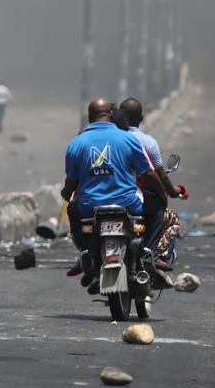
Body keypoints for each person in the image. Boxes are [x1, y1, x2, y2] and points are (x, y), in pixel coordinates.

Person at [62, 99, 158, 294]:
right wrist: (163, 192)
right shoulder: (128, 139)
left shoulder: (76, 143)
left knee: (72, 208)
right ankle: (148, 251)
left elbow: (70, 183)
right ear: (112, 116)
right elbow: (147, 173)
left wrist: (66, 194)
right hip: (127, 203)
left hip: (90, 207)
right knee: (156, 208)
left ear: (90, 117)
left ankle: (86, 251)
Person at [119, 98, 185, 269]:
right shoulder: (146, 142)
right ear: (141, 118)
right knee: (167, 217)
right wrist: (167, 193)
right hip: (137, 198)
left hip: (110, 196)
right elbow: (156, 175)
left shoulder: (111, 139)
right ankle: (154, 254)